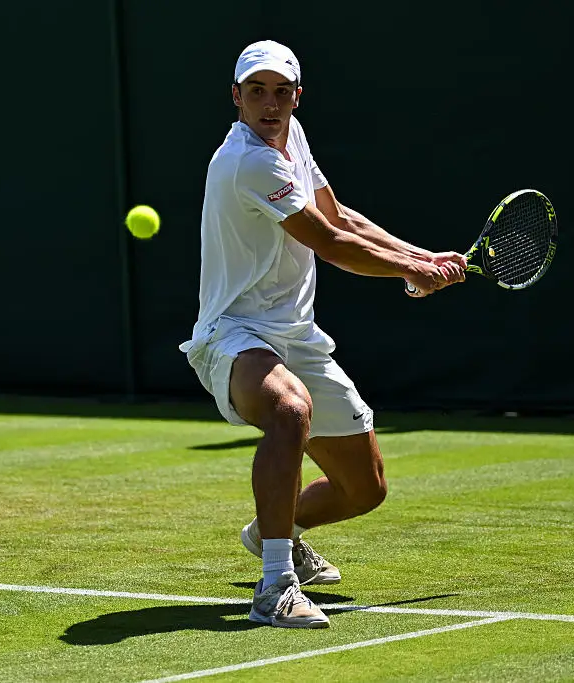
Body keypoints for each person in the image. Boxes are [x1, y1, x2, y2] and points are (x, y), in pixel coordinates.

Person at [178, 39, 467, 629]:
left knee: (364, 491)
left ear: (296, 97)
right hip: (233, 333)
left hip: (297, 335)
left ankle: (269, 531)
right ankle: (276, 585)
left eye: (281, 92)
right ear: (236, 97)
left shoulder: (293, 137)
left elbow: (341, 217)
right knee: (288, 410)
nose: (269, 103)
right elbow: (330, 244)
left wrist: (418, 254)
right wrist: (410, 272)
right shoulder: (248, 160)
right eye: (255, 91)